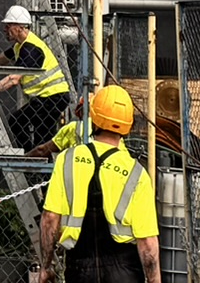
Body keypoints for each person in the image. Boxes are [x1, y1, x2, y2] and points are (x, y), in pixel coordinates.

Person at [33, 85, 160, 283]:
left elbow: (50, 219)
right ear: (128, 124)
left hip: (80, 270)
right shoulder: (137, 173)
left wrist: (46, 266)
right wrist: (154, 280)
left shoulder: (67, 160)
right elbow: (148, 243)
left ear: (94, 117)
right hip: (125, 272)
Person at [0, 4, 72, 153]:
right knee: (40, 132)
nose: (5, 29)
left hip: (52, 97)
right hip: (50, 97)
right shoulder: (20, 47)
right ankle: (35, 159)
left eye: (8, 26)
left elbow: (13, 79)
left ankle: (29, 155)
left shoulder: (31, 49)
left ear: (20, 27)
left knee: (19, 122)